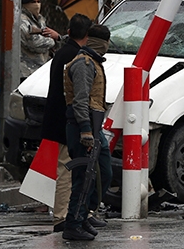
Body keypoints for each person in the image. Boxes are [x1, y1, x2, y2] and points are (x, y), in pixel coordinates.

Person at [60, 23, 113, 241]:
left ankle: (83, 217)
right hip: (83, 126)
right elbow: (81, 100)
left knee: (102, 173)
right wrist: (85, 130)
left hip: (93, 126)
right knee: (83, 177)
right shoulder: (84, 64)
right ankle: (73, 223)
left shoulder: (93, 62)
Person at [43, 14, 92, 233]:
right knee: (66, 169)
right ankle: (61, 216)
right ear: (88, 36)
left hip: (55, 116)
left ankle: (70, 213)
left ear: (69, 32)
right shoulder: (77, 57)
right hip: (66, 120)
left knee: (67, 168)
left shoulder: (62, 53)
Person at [19, 0, 62, 79]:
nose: (37, 5)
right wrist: (52, 40)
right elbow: (35, 43)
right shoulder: (22, 20)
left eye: (38, 2)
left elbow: (45, 34)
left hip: (39, 69)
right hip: (26, 71)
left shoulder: (40, 19)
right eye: (33, 2)